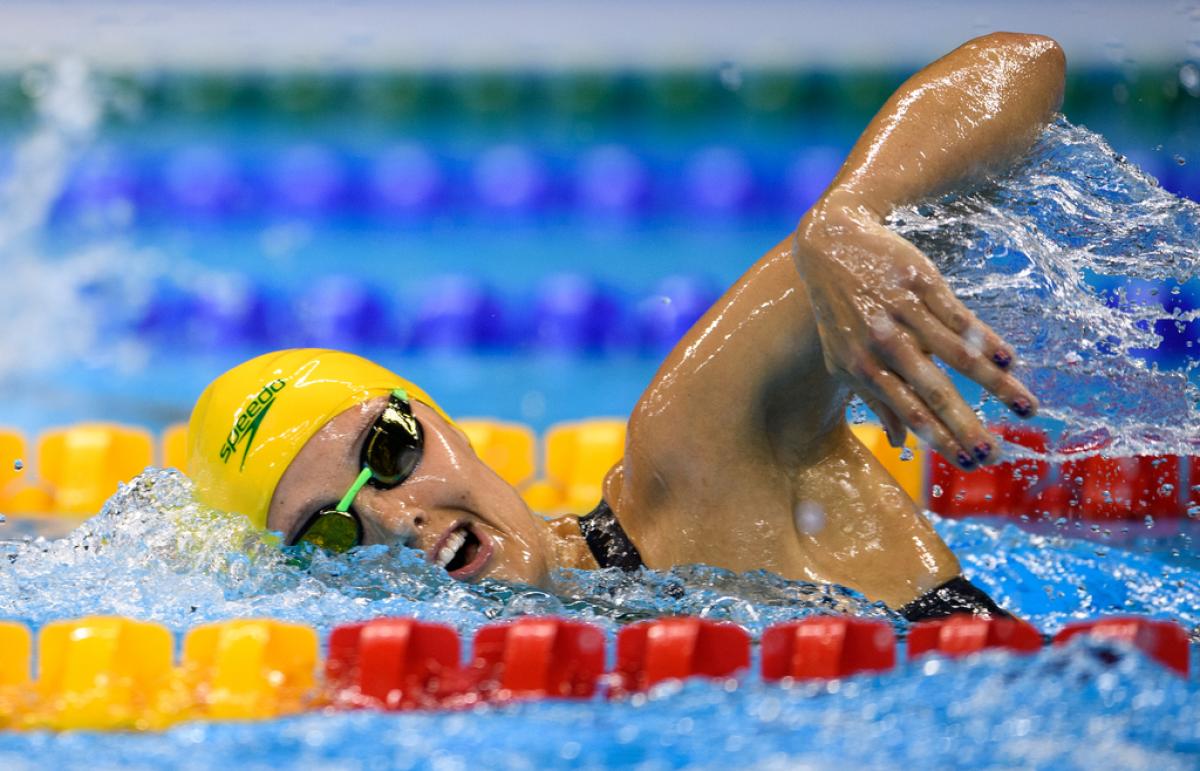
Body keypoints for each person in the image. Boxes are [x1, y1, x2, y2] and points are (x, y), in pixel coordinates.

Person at [186, 32, 1065, 620]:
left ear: (438, 416)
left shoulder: (700, 458)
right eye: (330, 531)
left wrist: (847, 217)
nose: (401, 520)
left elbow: (1025, 64)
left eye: (389, 452)